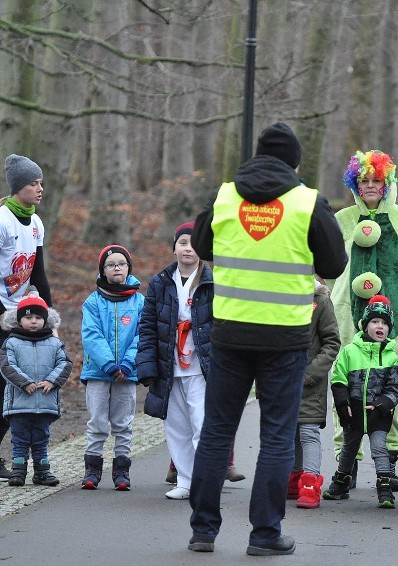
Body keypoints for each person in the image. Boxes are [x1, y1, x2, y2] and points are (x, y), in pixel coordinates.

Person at [188, 122, 347, 556]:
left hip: (231, 331)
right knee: (277, 435)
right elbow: (334, 263)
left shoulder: (224, 195)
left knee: (218, 430)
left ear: (255, 157)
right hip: (286, 337)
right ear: (295, 162)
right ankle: (264, 534)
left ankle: (203, 530)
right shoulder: (307, 202)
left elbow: (202, 244)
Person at [328, 149, 398, 492]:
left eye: (377, 181)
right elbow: (329, 268)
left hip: (397, 321)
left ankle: (390, 462)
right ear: (355, 184)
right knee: (349, 388)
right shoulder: (341, 220)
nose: (370, 186)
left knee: (392, 387)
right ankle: (348, 463)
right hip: (347, 321)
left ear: (387, 183)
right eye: (364, 181)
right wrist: (341, 298)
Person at [136, 221, 213, 500]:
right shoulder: (159, 283)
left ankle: (204, 482)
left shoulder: (212, 282)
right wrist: (146, 366)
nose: (187, 249)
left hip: (202, 366)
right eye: (182, 243)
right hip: (169, 365)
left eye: (193, 244)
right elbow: (147, 326)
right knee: (176, 427)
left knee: (202, 425)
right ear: (174, 248)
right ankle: (184, 480)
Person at [0, 154, 53, 481]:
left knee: (13, 391)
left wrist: (49, 317)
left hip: (21, 316)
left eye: (41, 183)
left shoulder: (35, 222)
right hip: (1, 314)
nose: (39, 189)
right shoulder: (2, 220)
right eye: (33, 183)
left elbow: (40, 273)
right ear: (18, 186)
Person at [322, 295, 398, 509]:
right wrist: (342, 404)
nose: (380, 326)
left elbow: (395, 388)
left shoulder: (391, 357)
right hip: (353, 413)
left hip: (378, 415)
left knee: (379, 448)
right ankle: (340, 484)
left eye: (385, 323)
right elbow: (338, 379)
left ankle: (384, 489)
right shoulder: (349, 352)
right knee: (349, 449)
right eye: (375, 321)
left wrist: (383, 405)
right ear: (365, 325)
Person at [79, 244, 144, 491]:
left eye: (121, 263)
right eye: (111, 264)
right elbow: (91, 335)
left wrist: (127, 363)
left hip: (127, 374)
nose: (116, 267)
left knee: (123, 422)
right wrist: (108, 364)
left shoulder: (139, 302)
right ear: (103, 270)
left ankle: (122, 470)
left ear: (128, 268)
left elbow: (142, 335)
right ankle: (92, 469)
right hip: (98, 372)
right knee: (97, 421)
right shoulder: (93, 302)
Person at [1, 294, 70, 486]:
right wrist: (24, 382)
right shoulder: (11, 342)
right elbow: (7, 366)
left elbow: (64, 363)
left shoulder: (54, 343)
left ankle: (42, 471)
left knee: (41, 439)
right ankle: (18, 471)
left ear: (45, 320)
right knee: (20, 439)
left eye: (39, 318)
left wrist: (51, 381)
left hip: (44, 401)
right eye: (29, 317)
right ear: (19, 320)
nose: (34, 321)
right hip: (20, 403)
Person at [287, 277, 340, 509]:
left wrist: (311, 373)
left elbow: (331, 342)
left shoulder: (320, 301)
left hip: (309, 381)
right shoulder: (279, 296)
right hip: (282, 379)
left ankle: (310, 483)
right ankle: (293, 478)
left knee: (308, 431)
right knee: (289, 433)